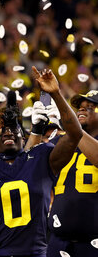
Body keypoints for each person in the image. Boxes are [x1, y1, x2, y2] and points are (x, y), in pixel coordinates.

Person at [0, 66, 82, 257]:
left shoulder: (41, 157)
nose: (7, 131)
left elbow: (75, 135)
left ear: (23, 138)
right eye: (2, 130)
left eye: (13, 128)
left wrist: (56, 94)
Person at [46, 90, 98, 257]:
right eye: (79, 108)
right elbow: (29, 163)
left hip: (94, 241)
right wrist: (36, 131)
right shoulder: (60, 143)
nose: (81, 111)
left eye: (90, 107)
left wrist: (72, 127)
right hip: (58, 239)